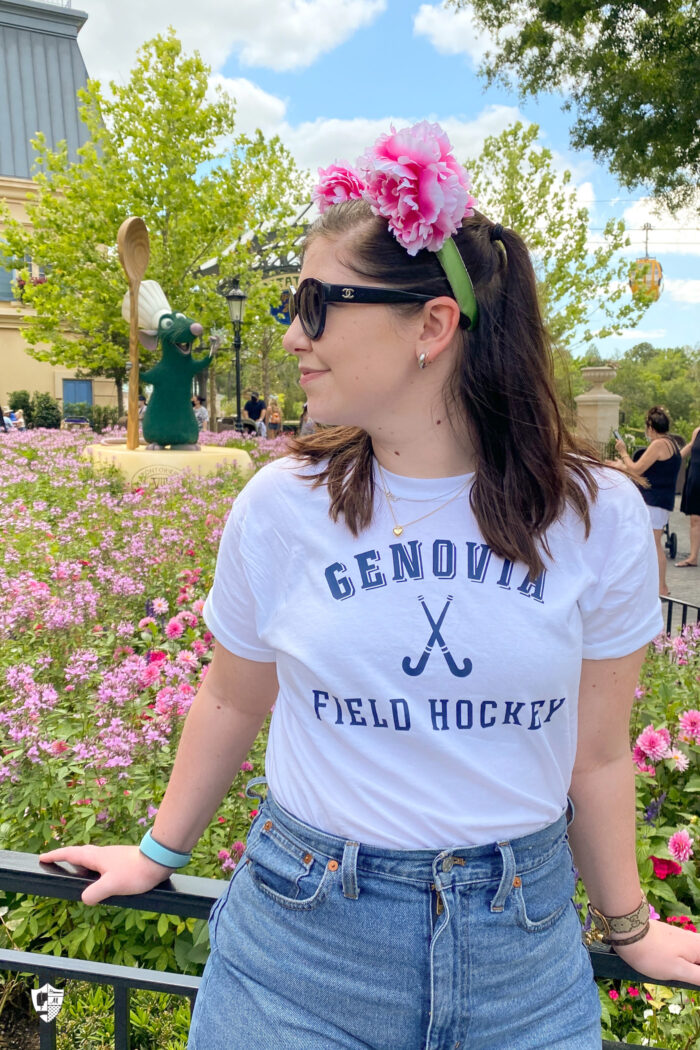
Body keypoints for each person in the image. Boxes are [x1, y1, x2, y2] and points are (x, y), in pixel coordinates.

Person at [40, 121, 700, 1049]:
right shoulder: (282, 506)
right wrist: (158, 852)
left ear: (433, 326)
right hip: (300, 952)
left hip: (523, 963)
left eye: (316, 304)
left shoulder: (595, 517)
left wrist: (630, 927)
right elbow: (233, 696)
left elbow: (595, 755)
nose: (291, 333)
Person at [613, 407, 682, 595]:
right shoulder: (672, 443)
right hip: (661, 499)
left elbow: (636, 469)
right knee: (650, 542)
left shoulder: (659, 444)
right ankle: (654, 585)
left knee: (654, 543)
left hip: (655, 500)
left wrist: (623, 452)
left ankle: (661, 587)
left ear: (651, 427)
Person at [678, 424, 700, 567]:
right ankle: (693, 557)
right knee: (695, 519)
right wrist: (672, 459)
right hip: (696, 479)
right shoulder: (698, 431)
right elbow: (690, 447)